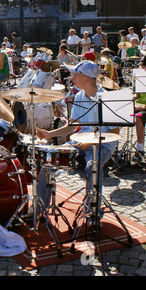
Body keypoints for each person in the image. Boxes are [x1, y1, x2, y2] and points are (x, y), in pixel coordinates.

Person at [36, 60, 119, 209]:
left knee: (92, 166)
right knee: (48, 162)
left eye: (75, 74)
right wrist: (49, 134)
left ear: (86, 78)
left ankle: (92, 211)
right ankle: (40, 208)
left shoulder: (107, 98)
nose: (71, 77)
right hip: (81, 142)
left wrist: (92, 143)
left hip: (103, 145)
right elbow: (72, 126)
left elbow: (114, 133)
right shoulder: (80, 95)